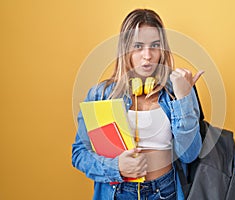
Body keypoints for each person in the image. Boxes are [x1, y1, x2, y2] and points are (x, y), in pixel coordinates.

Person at [72, 8, 204, 200]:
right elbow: (79, 154)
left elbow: (189, 154)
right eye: (138, 46)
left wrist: (184, 98)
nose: (148, 55)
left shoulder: (178, 89)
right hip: (118, 193)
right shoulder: (100, 95)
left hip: (166, 191)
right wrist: (116, 167)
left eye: (155, 45)